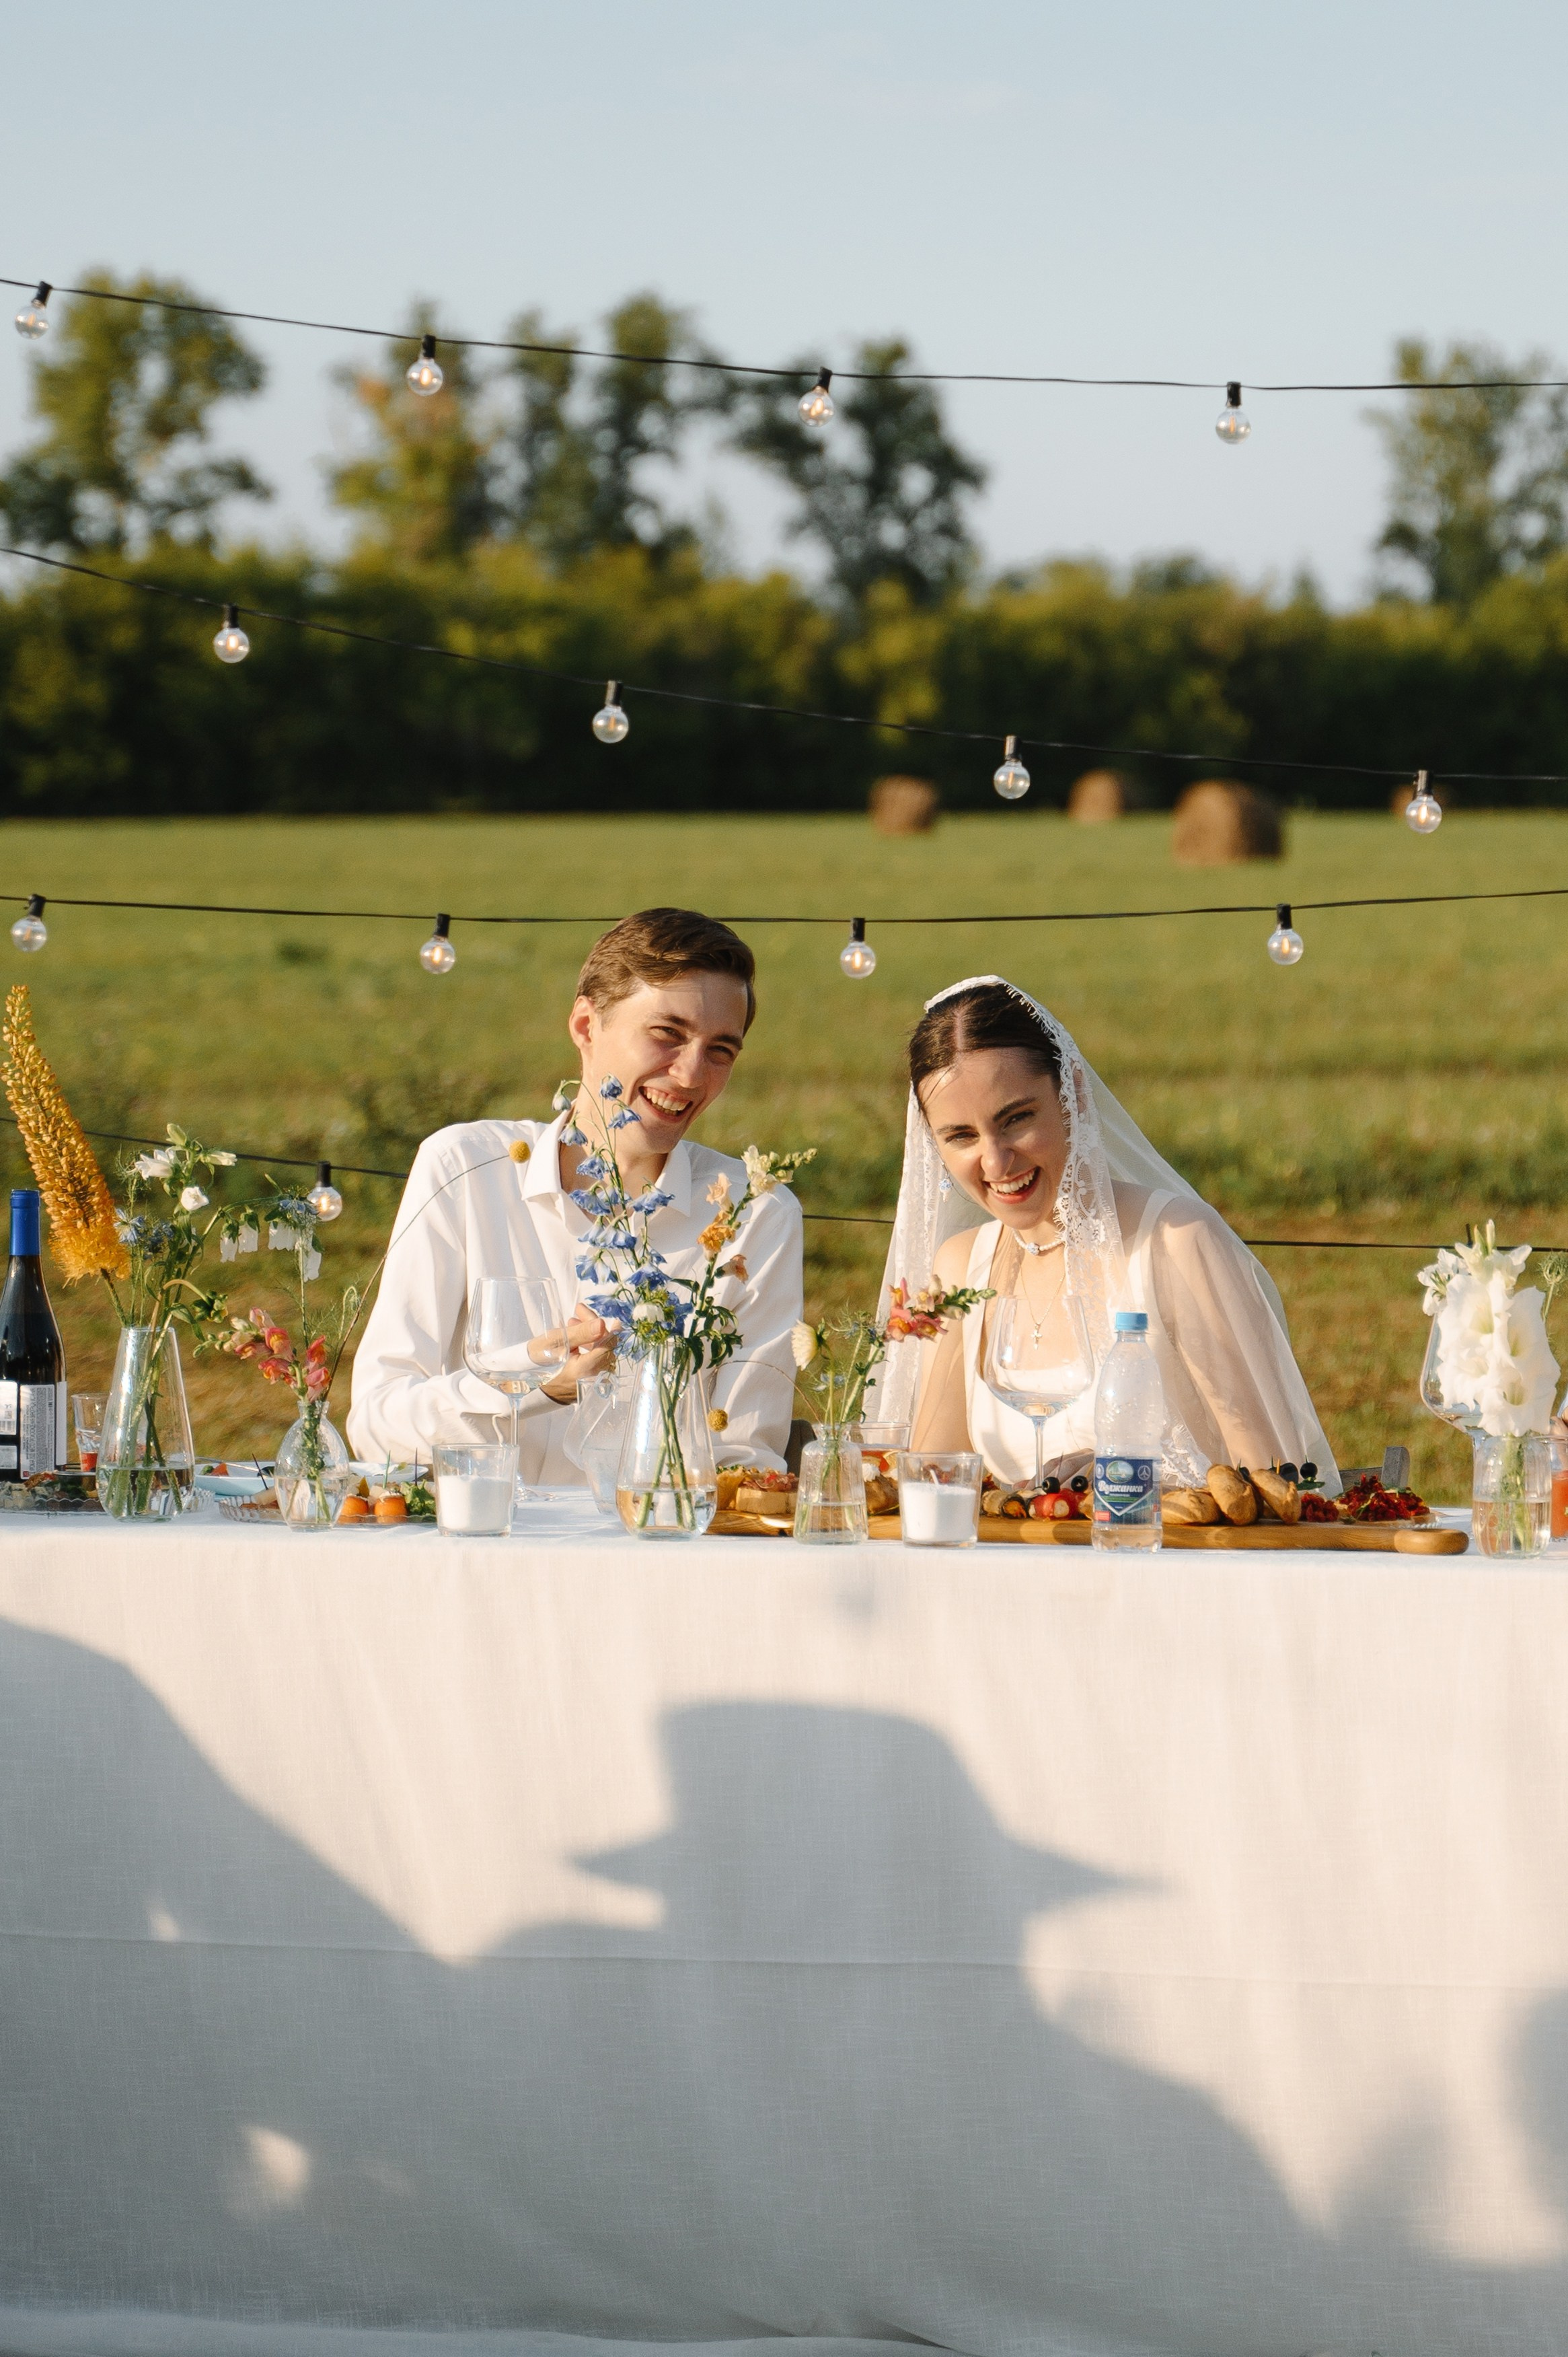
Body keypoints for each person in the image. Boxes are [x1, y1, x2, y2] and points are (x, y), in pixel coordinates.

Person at [348, 908, 803, 1479]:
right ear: (586, 1026)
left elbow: (743, 1460)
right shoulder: (466, 1168)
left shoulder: (755, 1212)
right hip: (477, 1544)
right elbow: (376, 1427)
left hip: (654, 1554)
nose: (690, 1075)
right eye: (667, 1033)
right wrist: (539, 1380)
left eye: (720, 1050)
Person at [868, 976, 1338, 1492]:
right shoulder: (959, 1268)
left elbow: (1276, 1479)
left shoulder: (1176, 1241)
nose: (996, 1161)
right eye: (961, 1136)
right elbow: (934, 1481)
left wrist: (1129, 1482)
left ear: (1074, 1097)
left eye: (1017, 1119)